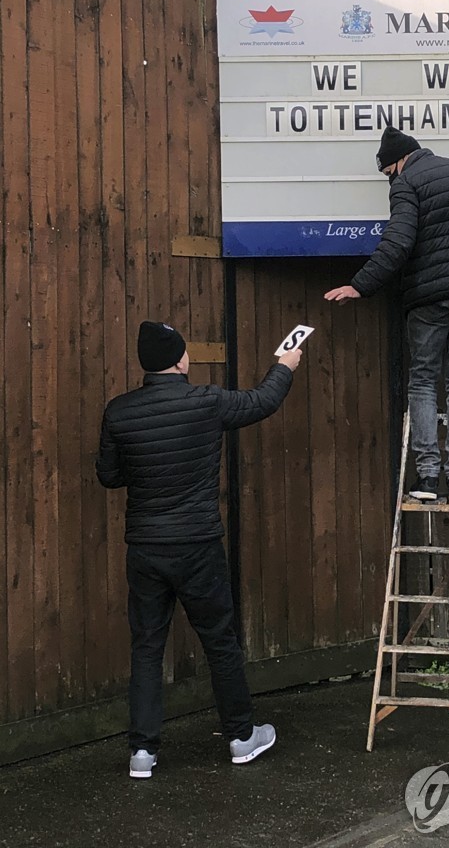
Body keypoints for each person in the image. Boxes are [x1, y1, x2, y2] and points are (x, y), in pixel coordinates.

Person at [96, 320, 302, 779]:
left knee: (147, 647)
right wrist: (284, 366)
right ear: (179, 359)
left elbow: (109, 476)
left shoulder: (119, 412)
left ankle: (143, 753)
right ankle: (241, 737)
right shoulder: (206, 401)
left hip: (145, 549)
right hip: (197, 545)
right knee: (219, 641)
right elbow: (261, 401)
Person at [324, 126, 449, 502]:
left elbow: (397, 244)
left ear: (397, 162)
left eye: (386, 173)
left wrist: (360, 285)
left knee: (424, 379)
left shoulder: (407, 183)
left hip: (430, 295)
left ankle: (428, 477)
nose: (387, 180)